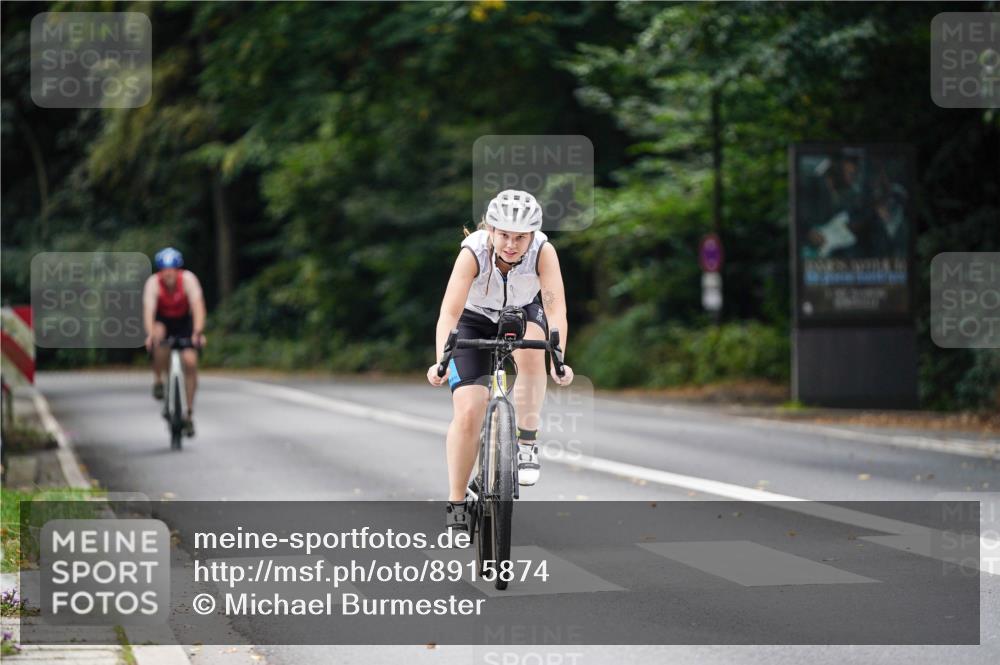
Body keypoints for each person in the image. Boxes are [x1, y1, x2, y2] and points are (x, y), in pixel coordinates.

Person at [426, 190, 574, 532]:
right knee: (468, 411)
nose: (511, 244)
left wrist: (559, 359)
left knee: (536, 346)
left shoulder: (543, 251)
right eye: (504, 234)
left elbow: (555, 310)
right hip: (473, 318)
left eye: (520, 237)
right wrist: (441, 361)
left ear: (532, 235)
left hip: (520, 312)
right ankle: (458, 504)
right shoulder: (473, 253)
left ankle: (526, 443)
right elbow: (449, 312)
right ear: (490, 230)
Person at [142, 247, 206, 437]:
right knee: (159, 337)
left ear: (178, 270)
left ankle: (188, 413)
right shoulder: (153, 283)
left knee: (190, 362)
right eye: (164, 269)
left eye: (172, 269)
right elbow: (149, 311)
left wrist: (197, 332)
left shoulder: (188, 280)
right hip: (163, 321)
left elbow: (198, 307)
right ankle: (159, 380)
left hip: (184, 322)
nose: (168, 273)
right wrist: (150, 334)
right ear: (160, 271)